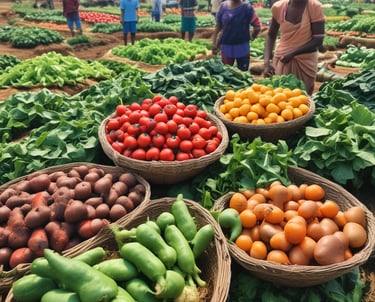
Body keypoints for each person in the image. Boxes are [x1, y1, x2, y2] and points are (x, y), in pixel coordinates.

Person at [263, 0, 325, 95]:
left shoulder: (314, 7)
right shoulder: (279, 7)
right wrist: (267, 62)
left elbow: (318, 40)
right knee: (279, 97)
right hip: (282, 59)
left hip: (305, 61)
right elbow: (271, 35)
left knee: (302, 98)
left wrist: (293, 53)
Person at [211, 0, 261, 72]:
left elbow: (218, 27)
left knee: (227, 73)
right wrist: (252, 36)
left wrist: (214, 43)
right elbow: (257, 27)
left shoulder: (225, 6)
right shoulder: (246, 8)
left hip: (229, 46)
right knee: (241, 74)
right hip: (239, 47)